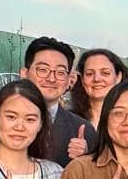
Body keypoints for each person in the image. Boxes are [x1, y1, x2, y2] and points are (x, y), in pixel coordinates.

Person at [21, 37, 97, 167]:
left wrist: (84, 162)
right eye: (43, 70)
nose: (51, 78)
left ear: (69, 80)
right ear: (24, 74)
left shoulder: (84, 131)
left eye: (60, 72)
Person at [74, 48, 128, 128]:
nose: (96, 79)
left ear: (118, 77)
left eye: (105, 73)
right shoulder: (66, 122)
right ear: (82, 80)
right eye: (89, 74)